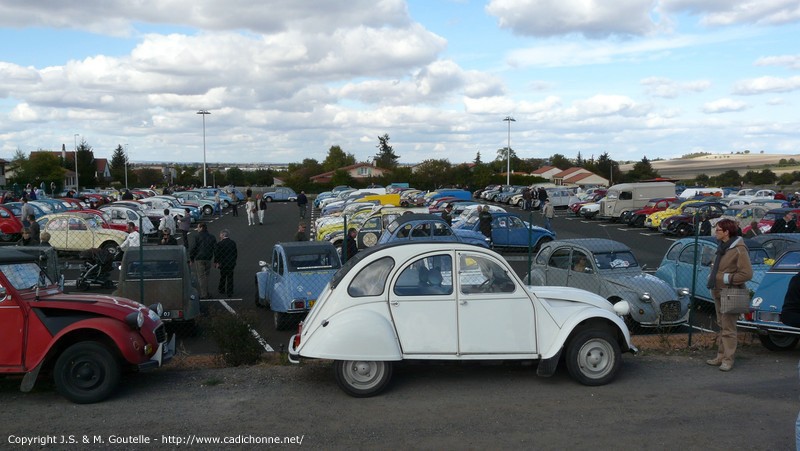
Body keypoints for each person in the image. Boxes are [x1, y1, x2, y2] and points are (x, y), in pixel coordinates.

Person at [706, 219, 753, 372]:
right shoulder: (722, 247)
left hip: (731, 292)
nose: (715, 232)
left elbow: (747, 273)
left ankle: (728, 359)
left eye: (718, 230)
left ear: (727, 232)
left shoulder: (739, 249)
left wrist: (727, 278)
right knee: (722, 325)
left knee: (729, 328)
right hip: (718, 291)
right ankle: (721, 356)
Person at [190, 223, 216, 299]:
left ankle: (204, 294)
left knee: (201, 277)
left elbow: (193, 248)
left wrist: (191, 259)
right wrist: (216, 260)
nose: (197, 229)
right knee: (206, 276)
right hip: (208, 258)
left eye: (198, 227)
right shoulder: (212, 237)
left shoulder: (196, 237)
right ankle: (206, 292)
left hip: (199, 258)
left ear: (201, 228)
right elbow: (215, 249)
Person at [214, 229, 237, 298]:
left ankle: (222, 289)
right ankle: (230, 292)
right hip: (231, 262)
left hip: (223, 263)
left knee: (223, 276)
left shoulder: (219, 244)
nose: (219, 236)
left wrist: (216, 262)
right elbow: (235, 253)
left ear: (223, 235)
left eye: (220, 234)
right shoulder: (233, 243)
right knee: (230, 277)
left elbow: (217, 254)